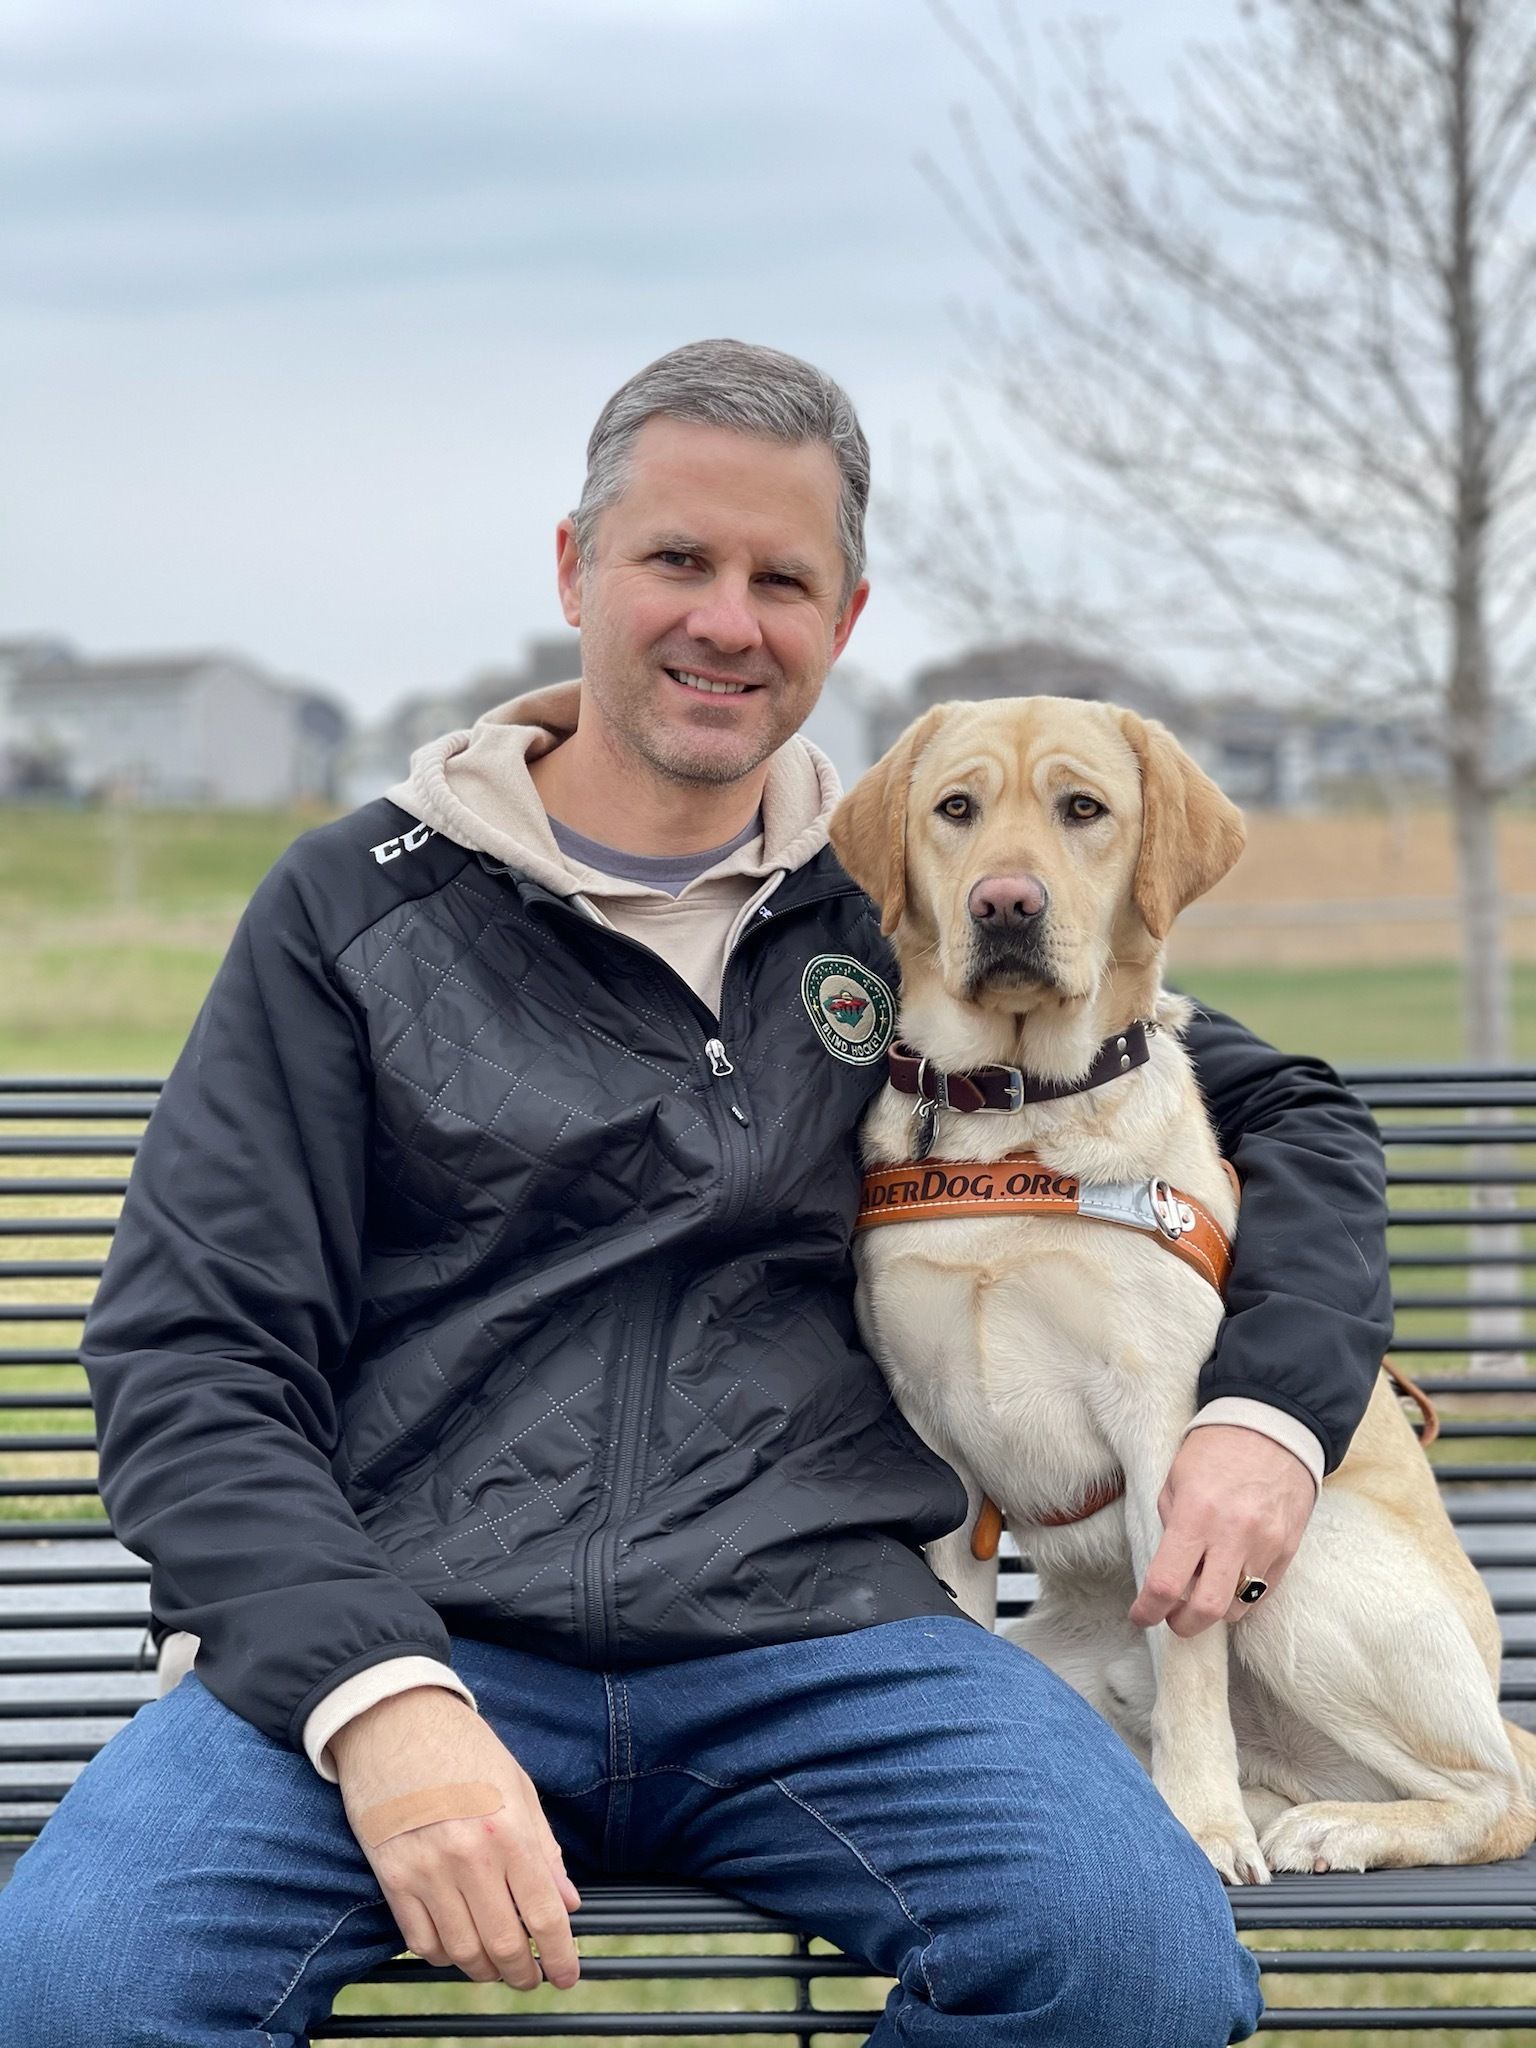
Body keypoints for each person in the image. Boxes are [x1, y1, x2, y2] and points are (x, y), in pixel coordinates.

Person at [0, 340, 1391, 2047]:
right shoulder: (349, 912)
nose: (728, 620)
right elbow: (190, 1360)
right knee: (72, 1988)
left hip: (822, 1639)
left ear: (844, 619)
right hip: (411, 1628)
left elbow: (1285, 1111)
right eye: (677, 560)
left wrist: (1271, 1411)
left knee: (1141, 1973)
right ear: (576, 569)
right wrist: (377, 1698)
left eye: (780, 580)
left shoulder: (891, 894)